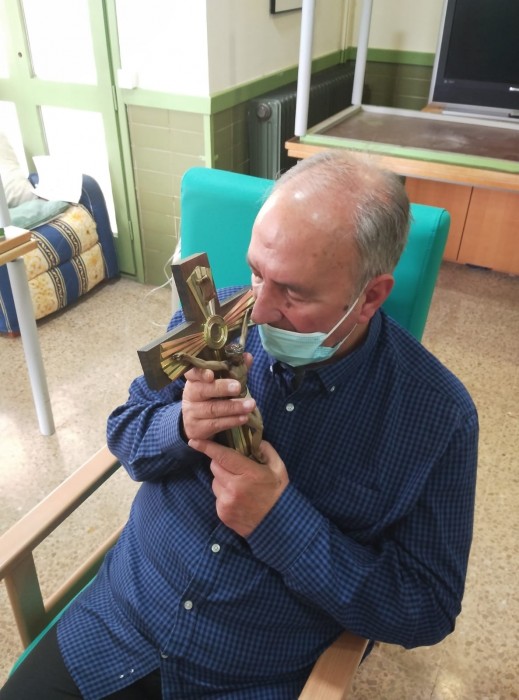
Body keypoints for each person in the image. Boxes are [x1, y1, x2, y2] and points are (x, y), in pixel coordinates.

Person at [1, 150, 478, 699]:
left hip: (249, 673)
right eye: (256, 272)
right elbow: (125, 430)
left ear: (370, 296)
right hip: (119, 625)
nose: (261, 309)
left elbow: (427, 607)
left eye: (293, 292)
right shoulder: (211, 321)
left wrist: (280, 523)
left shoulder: (438, 418)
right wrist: (181, 426)